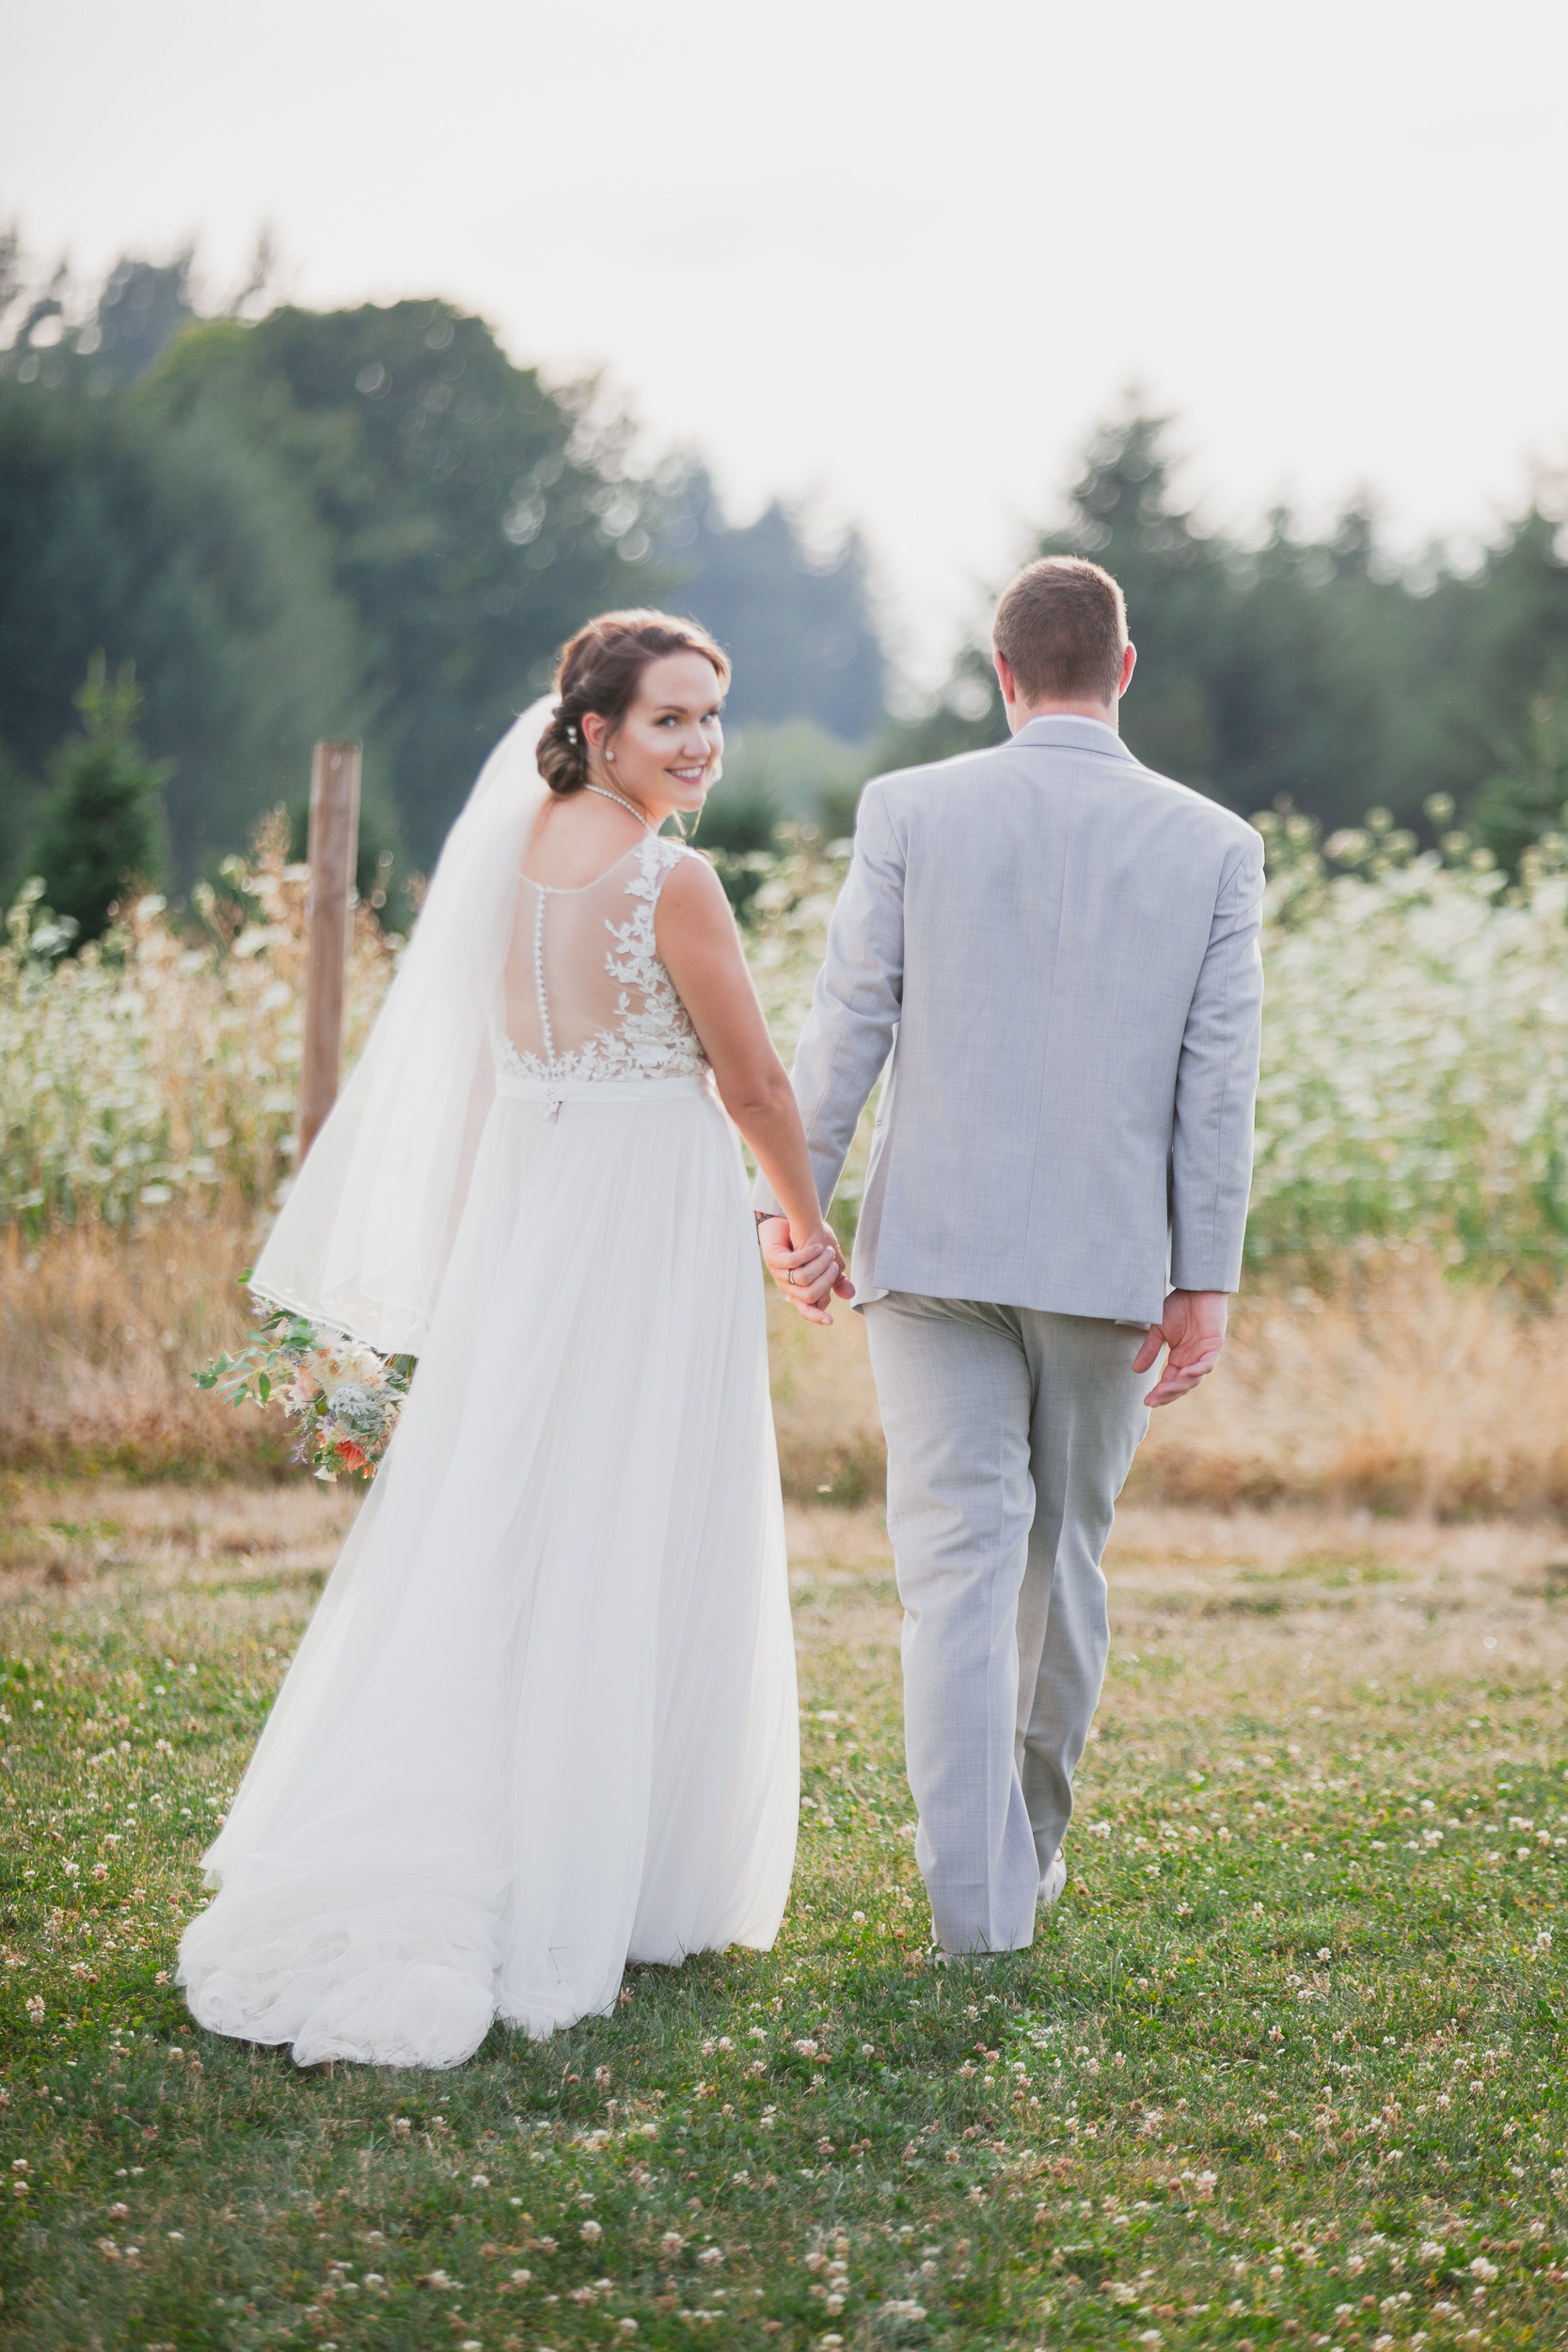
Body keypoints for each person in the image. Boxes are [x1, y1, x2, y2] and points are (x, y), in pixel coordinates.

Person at [179, 611, 847, 2069]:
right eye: (671, 719)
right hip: (642, 1229)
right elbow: (757, 1086)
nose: (701, 744)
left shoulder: (505, 857)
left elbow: (488, 1072)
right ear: (597, 730)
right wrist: (805, 1225)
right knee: (629, 1509)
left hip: (539, 1219)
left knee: (522, 1518)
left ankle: (539, 1829)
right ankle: (595, 1875)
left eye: (713, 716)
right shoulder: (673, 882)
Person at [755, 556, 1264, 1957]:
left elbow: (847, 1016)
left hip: (929, 1251)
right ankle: (1019, 1862)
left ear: (1000, 671)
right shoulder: (1214, 842)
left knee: (952, 1573)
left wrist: (792, 1212)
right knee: (1061, 1562)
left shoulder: (909, 807)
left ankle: (975, 1911)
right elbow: (1218, 1080)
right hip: (1109, 1261)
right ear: (1124, 665)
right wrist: (1201, 1277)